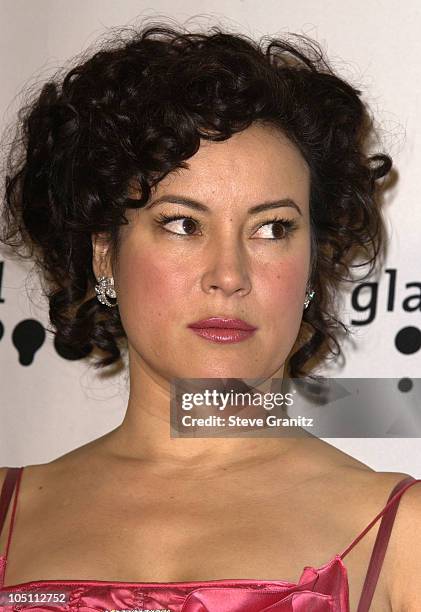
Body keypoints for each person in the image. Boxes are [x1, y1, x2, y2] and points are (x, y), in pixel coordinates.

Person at [0, 20, 420, 612]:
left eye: (272, 229)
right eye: (182, 224)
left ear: (310, 261)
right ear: (104, 253)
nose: (230, 274)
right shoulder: (8, 511)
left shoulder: (403, 535)